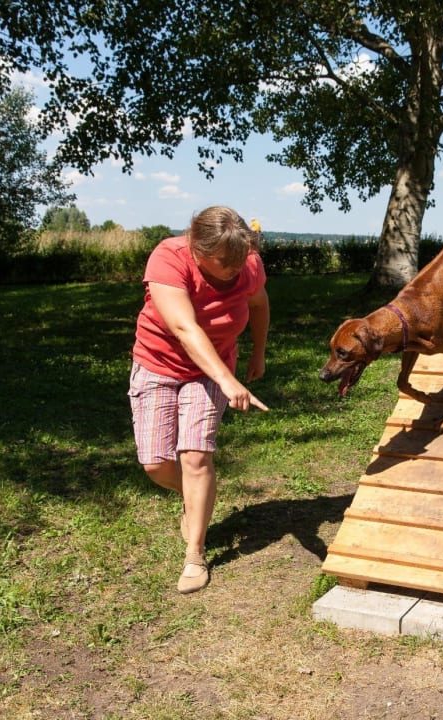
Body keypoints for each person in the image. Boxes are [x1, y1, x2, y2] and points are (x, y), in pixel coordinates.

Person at [128, 206, 270, 594]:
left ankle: (195, 553)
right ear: (196, 246)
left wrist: (258, 353)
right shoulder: (169, 258)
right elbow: (183, 326)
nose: (234, 269)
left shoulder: (247, 265)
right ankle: (194, 497)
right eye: (225, 262)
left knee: (195, 457)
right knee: (156, 465)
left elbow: (258, 304)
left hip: (212, 367)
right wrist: (229, 382)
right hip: (158, 364)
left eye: (240, 260)